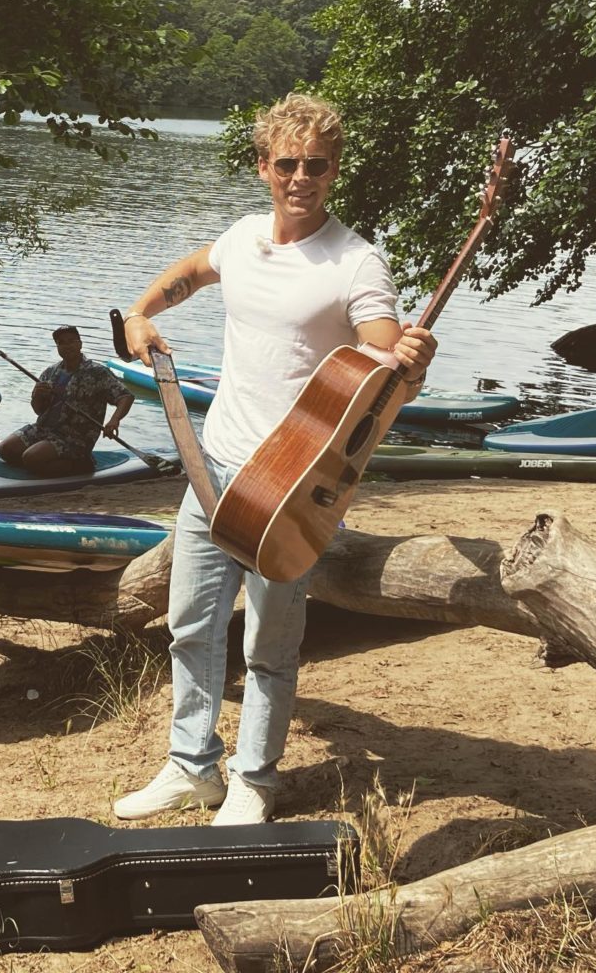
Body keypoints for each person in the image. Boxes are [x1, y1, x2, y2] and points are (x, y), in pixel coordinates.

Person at [114, 92, 437, 826]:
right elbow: (193, 272)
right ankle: (191, 768)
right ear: (264, 167)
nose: (301, 177)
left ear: (334, 169)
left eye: (315, 165)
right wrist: (141, 313)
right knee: (191, 625)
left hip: (292, 485)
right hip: (213, 469)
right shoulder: (242, 239)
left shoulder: (356, 262)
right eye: (287, 163)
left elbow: (384, 357)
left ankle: (255, 778)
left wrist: (409, 363)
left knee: (268, 641)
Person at [0, 325, 134, 477]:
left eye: (71, 341)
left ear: (80, 344)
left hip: (75, 436)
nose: (67, 346)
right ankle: (44, 462)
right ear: (57, 347)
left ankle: (80, 464)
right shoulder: (51, 372)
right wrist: (37, 395)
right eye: (61, 343)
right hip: (43, 428)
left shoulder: (97, 372)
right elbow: (38, 410)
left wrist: (114, 421)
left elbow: (125, 396)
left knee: (31, 458)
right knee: (5, 449)